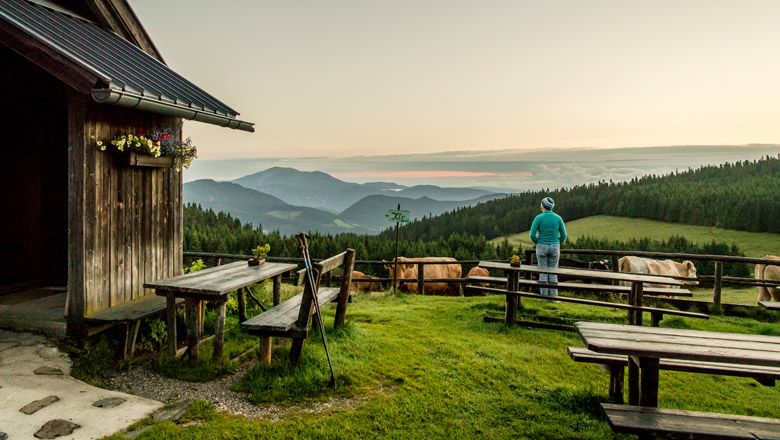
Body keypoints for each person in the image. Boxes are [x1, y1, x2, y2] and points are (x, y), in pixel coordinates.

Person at [529, 196, 567, 297]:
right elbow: (564, 235)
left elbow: (532, 234)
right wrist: (557, 242)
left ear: (543, 205)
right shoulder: (558, 218)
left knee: (543, 273)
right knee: (553, 273)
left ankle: (544, 298)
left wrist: (538, 242)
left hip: (541, 246)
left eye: (541, 203)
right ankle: (554, 298)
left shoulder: (538, 218)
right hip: (555, 246)